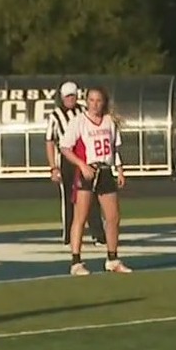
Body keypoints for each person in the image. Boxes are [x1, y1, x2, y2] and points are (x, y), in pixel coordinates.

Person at [59, 86, 132, 276]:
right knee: (80, 217)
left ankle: (112, 259)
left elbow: (114, 149)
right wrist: (82, 165)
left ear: (104, 102)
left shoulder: (109, 121)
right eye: (91, 100)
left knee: (113, 217)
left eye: (98, 100)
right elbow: (65, 147)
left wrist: (120, 170)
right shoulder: (79, 121)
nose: (94, 104)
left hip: (105, 171)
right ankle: (76, 262)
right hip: (88, 172)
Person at [44, 81, 106, 248]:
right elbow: (49, 141)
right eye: (67, 96)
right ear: (62, 97)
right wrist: (53, 167)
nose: (70, 99)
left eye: (72, 96)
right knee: (69, 198)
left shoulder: (83, 112)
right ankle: (69, 236)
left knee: (91, 196)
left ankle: (98, 234)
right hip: (67, 159)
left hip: (85, 157)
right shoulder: (55, 116)